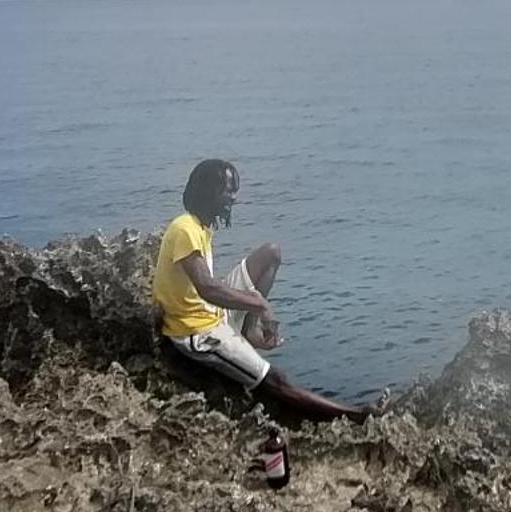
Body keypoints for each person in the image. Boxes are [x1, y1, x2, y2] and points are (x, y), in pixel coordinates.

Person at [151, 158, 367, 421]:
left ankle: (248, 330)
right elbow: (207, 288)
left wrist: (251, 307)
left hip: (209, 313)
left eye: (234, 191)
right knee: (275, 380)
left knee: (271, 254)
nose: (233, 198)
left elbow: (207, 291)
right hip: (195, 332)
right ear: (209, 191)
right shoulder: (184, 229)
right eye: (228, 191)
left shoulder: (199, 227)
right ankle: (359, 417)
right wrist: (259, 304)